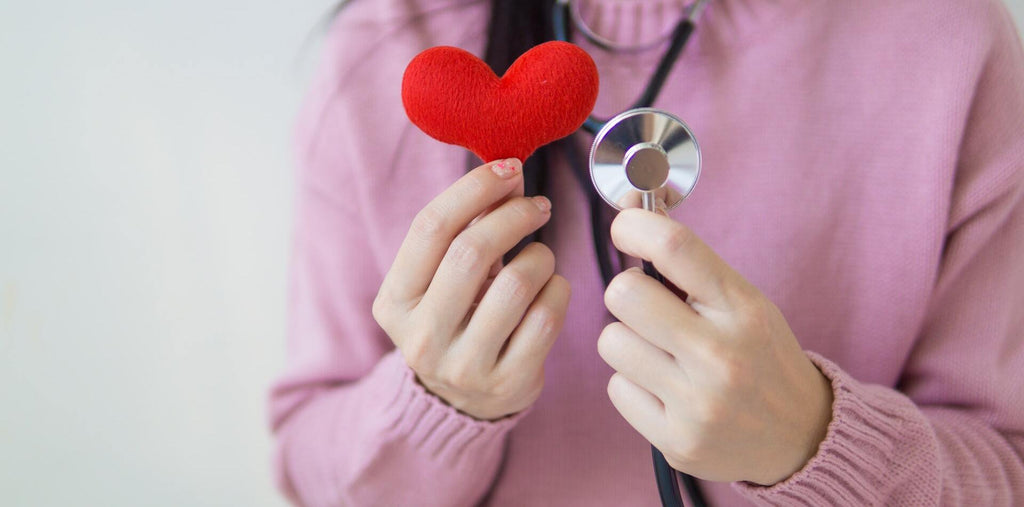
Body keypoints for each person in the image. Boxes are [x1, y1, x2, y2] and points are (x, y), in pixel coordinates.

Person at [267, 0, 1024, 504]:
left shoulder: (943, 39)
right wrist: (432, 405)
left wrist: (815, 440)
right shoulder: (383, 48)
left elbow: (1008, 465)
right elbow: (306, 465)